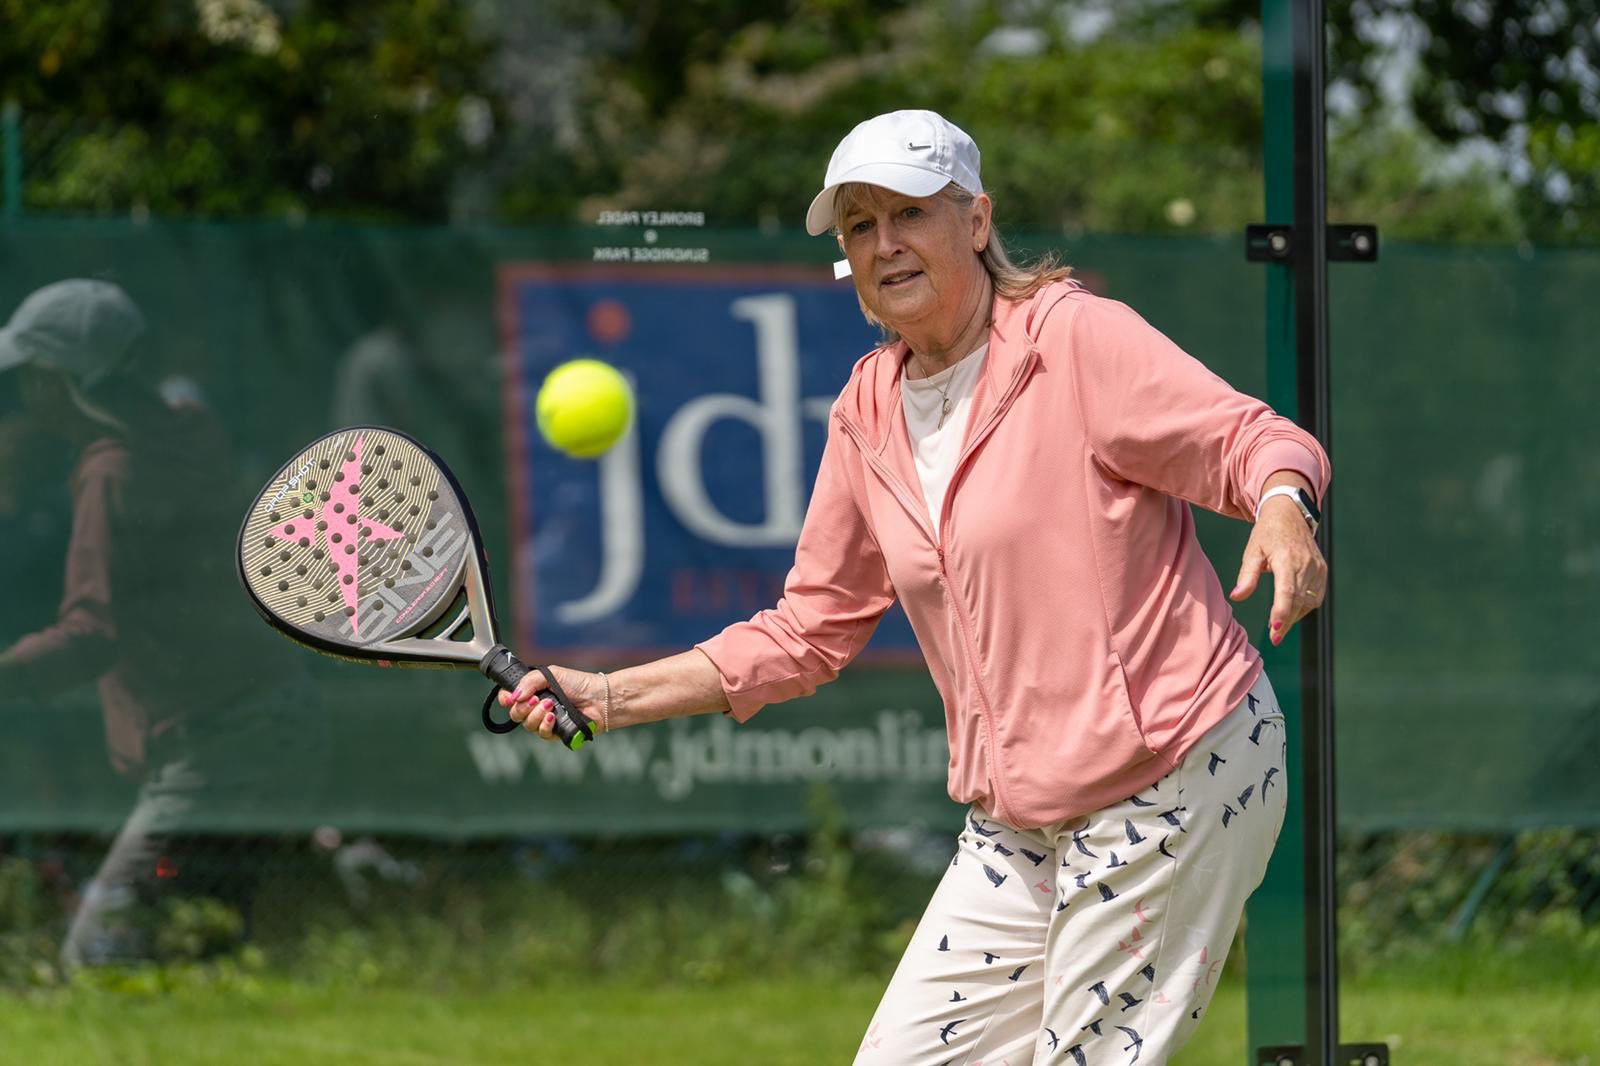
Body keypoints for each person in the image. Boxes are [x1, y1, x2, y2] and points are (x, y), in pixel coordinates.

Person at [498, 110, 1330, 1064]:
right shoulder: (866, 408)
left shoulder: (1073, 340)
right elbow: (807, 631)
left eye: (909, 214)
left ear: (976, 221)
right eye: (859, 225)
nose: (884, 244)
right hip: (1016, 823)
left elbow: (1250, 439)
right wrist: (606, 696)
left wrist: (1279, 502)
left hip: (1179, 775)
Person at [0, 279, 315, 967]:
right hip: (268, 714)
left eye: (29, 372)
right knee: (207, 945)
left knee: (100, 953)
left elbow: (90, 635)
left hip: (217, 741)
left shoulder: (112, 474)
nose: (22, 388)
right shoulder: (187, 428)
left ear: (60, 381)